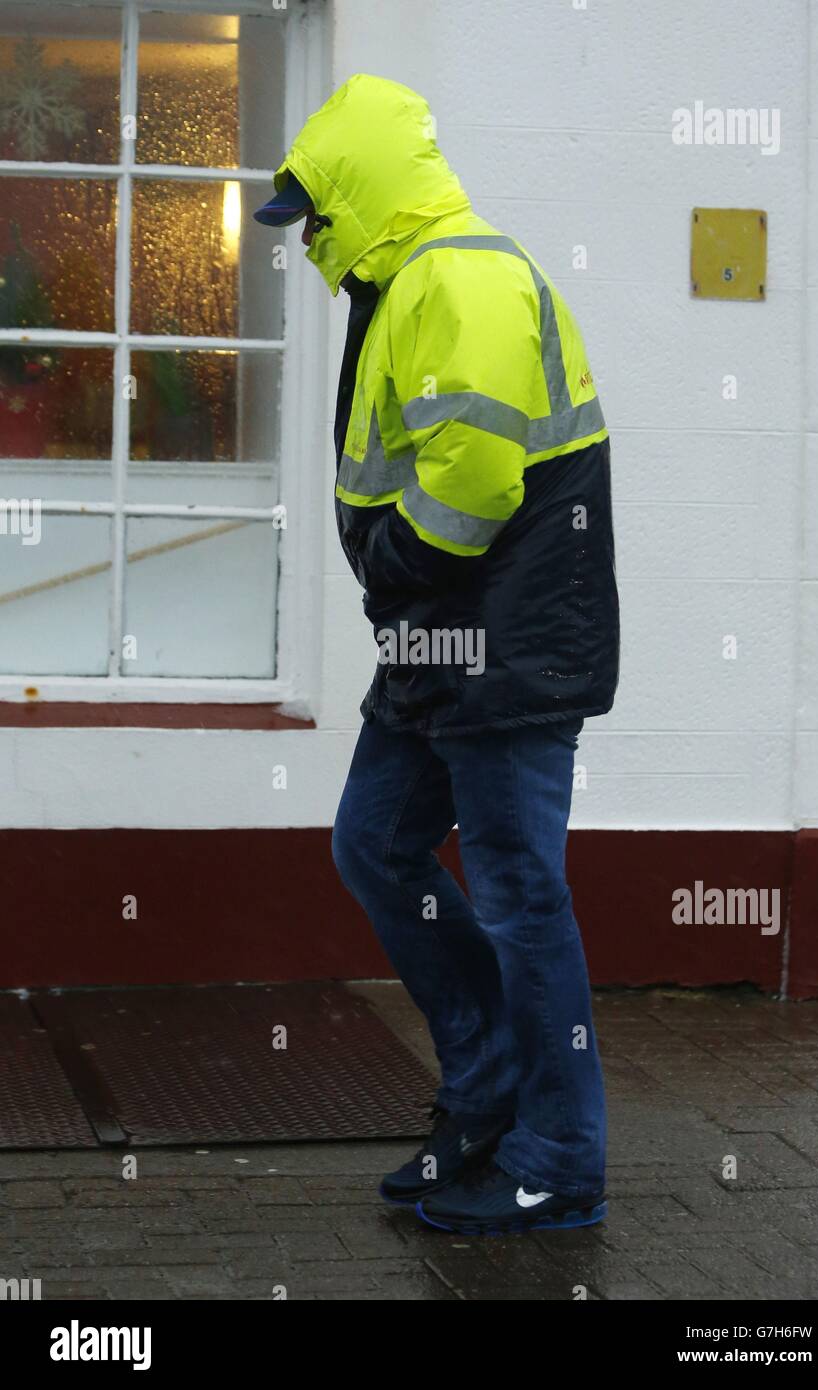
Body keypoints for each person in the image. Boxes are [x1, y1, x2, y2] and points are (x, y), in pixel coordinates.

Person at [254, 73, 619, 1235]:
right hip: (444, 640)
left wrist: (394, 562)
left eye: (311, 216)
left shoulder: (456, 275)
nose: (305, 241)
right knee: (374, 844)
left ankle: (559, 1161)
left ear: (357, 197)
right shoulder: (408, 280)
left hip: (504, 647)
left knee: (518, 898)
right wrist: (403, 587)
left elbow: (474, 477)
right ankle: (488, 1097)